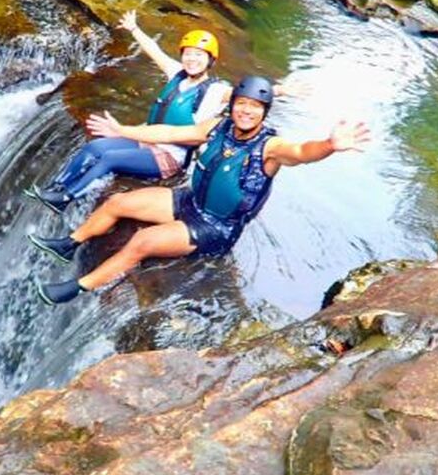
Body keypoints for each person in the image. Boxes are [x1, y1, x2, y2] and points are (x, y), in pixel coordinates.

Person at [28, 75, 370, 305]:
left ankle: (78, 287)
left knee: (142, 242)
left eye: (254, 106)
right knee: (118, 202)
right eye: (241, 103)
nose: (246, 110)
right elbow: (169, 134)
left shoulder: (271, 147)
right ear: (233, 105)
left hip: (214, 227)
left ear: (264, 112)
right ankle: (69, 244)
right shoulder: (218, 126)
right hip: (190, 201)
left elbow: (301, 152)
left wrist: (329, 145)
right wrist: (124, 130)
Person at [25, 10, 297, 213]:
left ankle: (66, 199)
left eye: (199, 55)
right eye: (188, 53)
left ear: (210, 61)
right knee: (94, 148)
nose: (192, 59)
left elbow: (247, 94)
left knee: (108, 159)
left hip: (169, 157)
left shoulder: (216, 91)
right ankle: (57, 188)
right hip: (148, 140)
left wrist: (282, 90)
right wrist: (134, 29)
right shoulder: (176, 74)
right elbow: (153, 50)